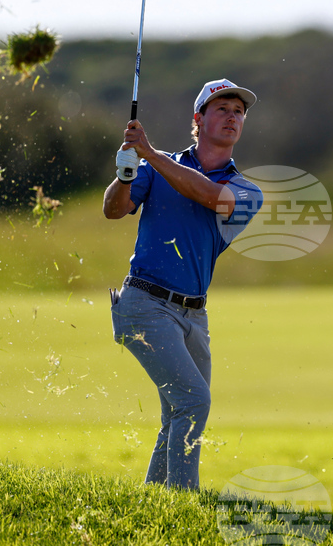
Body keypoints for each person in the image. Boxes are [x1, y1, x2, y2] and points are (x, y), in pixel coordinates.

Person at [102, 78, 263, 490]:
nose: (232, 117)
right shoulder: (156, 168)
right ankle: (183, 505)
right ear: (199, 119)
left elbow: (212, 197)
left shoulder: (246, 190)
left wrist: (150, 155)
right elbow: (114, 210)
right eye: (222, 108)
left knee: (178, 412)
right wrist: (125, 174)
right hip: (143, 302)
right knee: (192, 402)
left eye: (238, 112)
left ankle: (155, 505)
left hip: (194, 315)